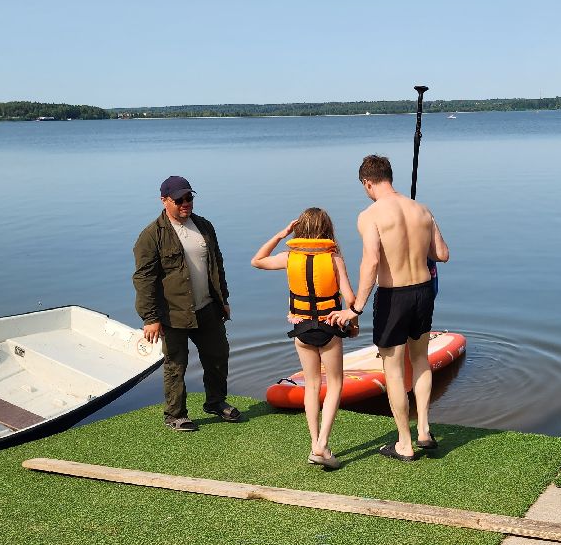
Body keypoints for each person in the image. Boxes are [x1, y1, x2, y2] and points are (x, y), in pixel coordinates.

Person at [328, 154, 449, 461]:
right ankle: (424, 429)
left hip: (394, 297)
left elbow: (371, 262)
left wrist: (355, 308)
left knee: (394, 371)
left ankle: (405, 444)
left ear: (367, 183)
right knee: (421, 360)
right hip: (423, 292)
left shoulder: (370, 215)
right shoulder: (422, 210)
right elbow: (443, 254)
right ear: (390, 177)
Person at [132, 174, 242, 431]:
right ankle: (175, 415)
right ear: (164, 201)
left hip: (208, 308)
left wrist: (223, 299)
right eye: (179, 199)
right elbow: (143, 279)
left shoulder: (204, 226)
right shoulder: (151, 236)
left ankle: (216, 402)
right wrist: (150, 318)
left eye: (189, 197)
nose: (185, 203)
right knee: (176, 365)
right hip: (173, 313)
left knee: (218, 356)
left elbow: (217, 265)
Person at [251, 208, 357, 469]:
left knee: (311, 385)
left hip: (301, 330)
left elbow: (257, 260)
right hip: (329, 329)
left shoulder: (289, 257)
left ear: (300, 231)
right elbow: (351, 299)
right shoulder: (334, 260)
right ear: (326, 230)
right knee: (334, 385)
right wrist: (353, 323)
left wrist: (280, 234)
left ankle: (314, 444)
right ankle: (322, 445)